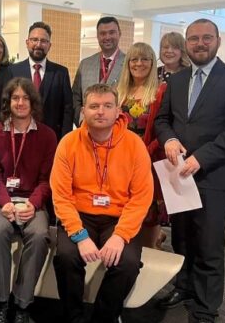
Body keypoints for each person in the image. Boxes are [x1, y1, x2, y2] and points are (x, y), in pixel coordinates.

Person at [155, 19, 225, 323]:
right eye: (194, 38)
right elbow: (162, 120)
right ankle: (183, 286)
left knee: (209, 244)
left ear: (218, 41)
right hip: (178, 176)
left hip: (213, 176)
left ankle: (205, 307)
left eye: (206, 38)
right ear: (187, 43)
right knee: (182, 239)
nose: (200, 43)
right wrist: (169, 139)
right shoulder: (177, 80)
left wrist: (202, 157)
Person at [50, 83, 153, 323]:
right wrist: (79, 236)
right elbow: (61, 196)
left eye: (107, 106)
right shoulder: (68, 143)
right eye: (94, 106)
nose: (100, 112)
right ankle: (73, 317)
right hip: (79, 214)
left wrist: (120, 235)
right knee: (66, 257)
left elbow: (141, 197)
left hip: (118, 217)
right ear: (83, 110)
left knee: (127, 263)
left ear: (118, 110)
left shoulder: (134, 145)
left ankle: (103, 317)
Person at [0, 77, 57, 323]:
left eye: (26, 98)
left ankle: (23, 304)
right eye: (15, 97)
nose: (20, 102)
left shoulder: (47, 135)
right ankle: (1, 302)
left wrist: (32, 205)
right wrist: (4, 202)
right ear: (8, 102)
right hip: (0, 199)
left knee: (38, 235)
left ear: (33, 102)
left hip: (32, 201)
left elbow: (47, 180)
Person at [117, 42, 168, 249]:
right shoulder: (119, 91)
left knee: (148, 213)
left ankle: (152, 248)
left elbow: (165, 127)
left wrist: (146, 151)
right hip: (121, 160)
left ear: (152, 62)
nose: (139, 63)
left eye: (145, 59)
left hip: (149, 159)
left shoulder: (161, 91)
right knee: (124, 210)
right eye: (134, 59)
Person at [10, 21, 73, 140]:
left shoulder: (61, 73)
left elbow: (67, 110)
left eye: (44, 41)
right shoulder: (13, 71)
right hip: (19, 137)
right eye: (34, 40)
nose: (38, 45)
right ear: (27, 43)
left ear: (49, 45)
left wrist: (65, 140)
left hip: (52, 139)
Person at [72, 16, 125, 126]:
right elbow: (75, 97)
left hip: (118, 130)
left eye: (112, 32)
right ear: (97, 36)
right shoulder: (85, 64)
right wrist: (82, 120)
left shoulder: (129, 64)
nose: (107, 37)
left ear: (119, 33)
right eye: (103, 33)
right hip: (87, 128)